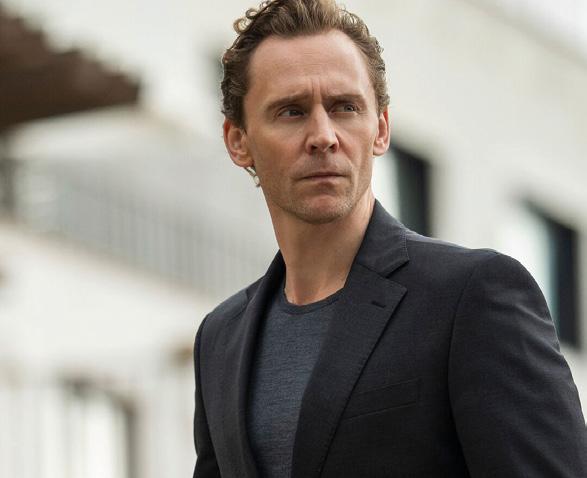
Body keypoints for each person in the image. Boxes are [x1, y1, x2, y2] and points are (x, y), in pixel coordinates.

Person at [193, 1, 587, 476]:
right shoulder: (221, 338)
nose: (323, 135)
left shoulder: (473, 296)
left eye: (344, 107)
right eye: (291, 111)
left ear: (380, 129)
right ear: (238, 141)